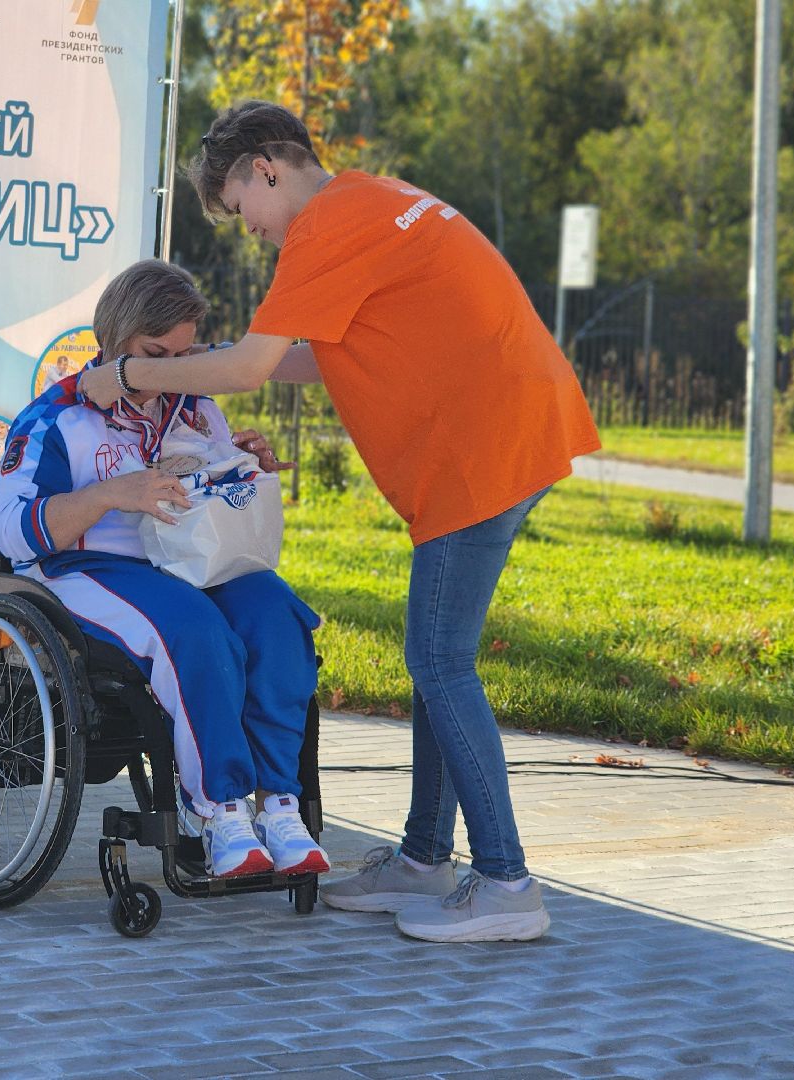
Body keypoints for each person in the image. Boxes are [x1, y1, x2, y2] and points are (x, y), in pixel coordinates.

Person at [79, 102, 601, 942]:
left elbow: (250, 368)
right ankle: (424, 861)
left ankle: (507, 884)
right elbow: (319, 357)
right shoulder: (373, 199)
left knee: (439, 662)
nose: (250, 230)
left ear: (265, 170)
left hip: (482, 450)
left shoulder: (322, 229)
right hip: (515, 424)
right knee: (438, 663)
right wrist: (194, 370)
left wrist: (132, 374)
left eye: (240, 208)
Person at [0, 259, 330, 879]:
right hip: (85, 566)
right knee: (193, 628)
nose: (168, 371)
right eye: (154, 355)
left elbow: (211, 497)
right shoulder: (56, 417)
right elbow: (7, 532)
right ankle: (219, 810)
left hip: (187, 560)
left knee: (277, 616)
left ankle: (279, 804)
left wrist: (242, 465)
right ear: (113, 339)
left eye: (181, 356)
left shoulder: (194, 408)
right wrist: (108, 495)